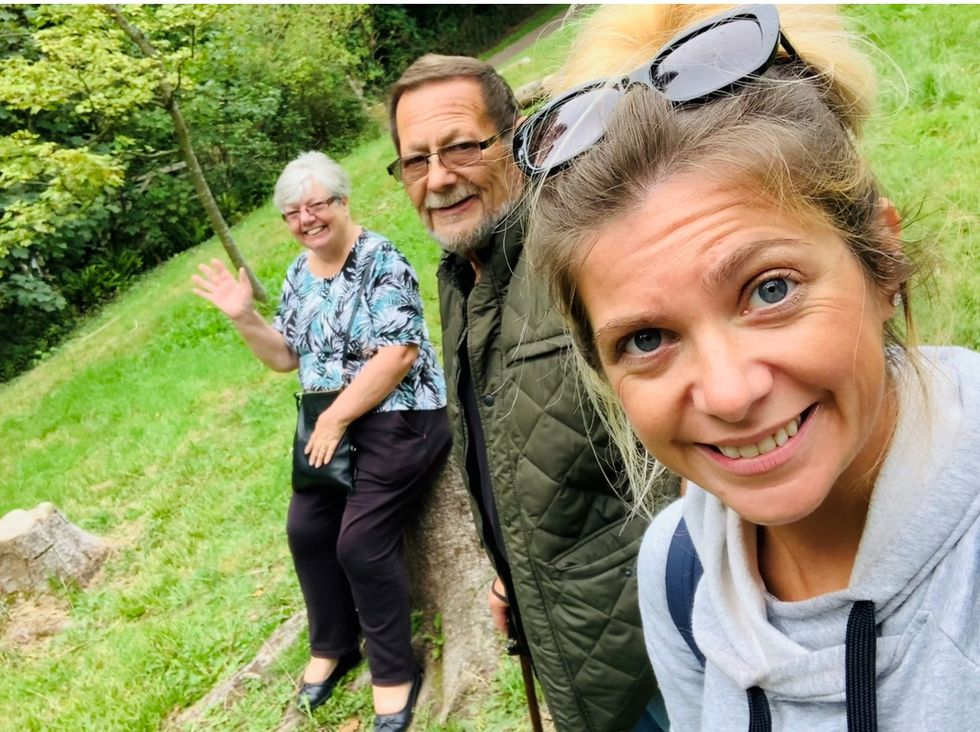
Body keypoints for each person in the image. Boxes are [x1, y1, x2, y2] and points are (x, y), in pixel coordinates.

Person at [518, 3, 980, 730]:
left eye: (771, 290)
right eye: (645, 340)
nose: (731, 394)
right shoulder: (677, 571)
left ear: (882, 260)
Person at [386, 55, 666, 732]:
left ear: (517, 139)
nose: (439, 178)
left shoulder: (576, 251)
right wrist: (517, 570)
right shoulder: (462, 279)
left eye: (460, 146)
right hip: (574, 646)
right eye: (415, 161)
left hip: (658, 658)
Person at [191, 151, 450, 732]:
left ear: (342, 201)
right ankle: (334, 645)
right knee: (306, 530)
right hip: (329, 421)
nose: (306, 219)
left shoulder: (381, 259)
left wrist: (336, 419)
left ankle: (394, 673)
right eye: (293, 212)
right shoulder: (298, 273)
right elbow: (285, 357)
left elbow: (399, 355)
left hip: (399, 417)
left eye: (317, 205)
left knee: (360, 542)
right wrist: (243, 318)